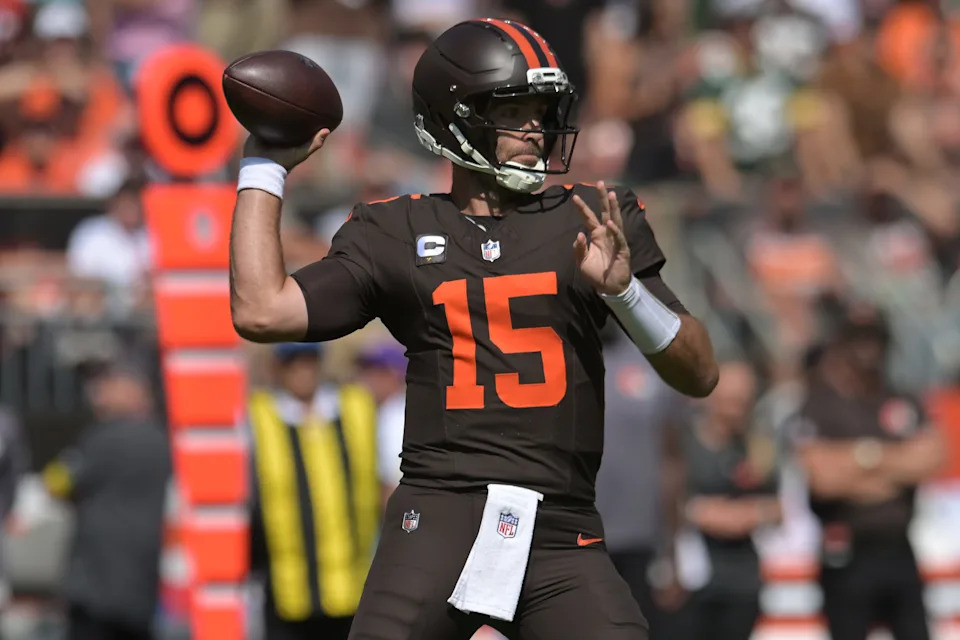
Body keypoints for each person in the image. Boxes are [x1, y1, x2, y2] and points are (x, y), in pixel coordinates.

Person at [230, 18, 718, 640]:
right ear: (456, 118)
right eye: (516, 111)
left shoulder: (591, 217)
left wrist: (626, 294)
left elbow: (701, 374)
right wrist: (264, 168)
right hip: (438, 515)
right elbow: (261, 310)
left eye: (543, 111)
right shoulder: (394, 231)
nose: (537, 128)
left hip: (560, 528)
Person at [793, 304, 945, 640]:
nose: (868, 348)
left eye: (875, 339)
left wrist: (856, 459)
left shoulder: (901, 398)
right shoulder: (821, 404)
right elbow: (824, 480)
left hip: (899, 546)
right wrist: (892, 463)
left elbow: (931, 458)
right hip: (846, 550)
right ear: (842, 342)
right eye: (858, 339)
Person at [248, 342, 379, 640]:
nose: (301, 371)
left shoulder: (355, 408)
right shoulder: (261, 415)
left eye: (307, 362)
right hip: (286, 587)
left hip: (351, 583)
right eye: (292, 363)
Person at [42, 362, 171, 640]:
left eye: (107, 384)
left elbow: (54, 482)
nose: (97, 394)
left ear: (135, 392)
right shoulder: (162, 439)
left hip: (96, 588)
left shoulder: (102, 438)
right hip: (142, 587)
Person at [677, 360, 781, 640]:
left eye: (745, 401)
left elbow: (780, 507)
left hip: (742, 581)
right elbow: (667, 500)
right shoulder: (683, 442)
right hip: (690, 581)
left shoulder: (759, 446)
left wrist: (743, 515)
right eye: (731, 401)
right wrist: (698, 512)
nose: (738, 409)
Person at [354, 339, 408, 507]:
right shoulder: (382, 411)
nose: (365, 380)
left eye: (374, 373)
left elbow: (394, 481)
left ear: (393, 375)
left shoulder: (395, 416)